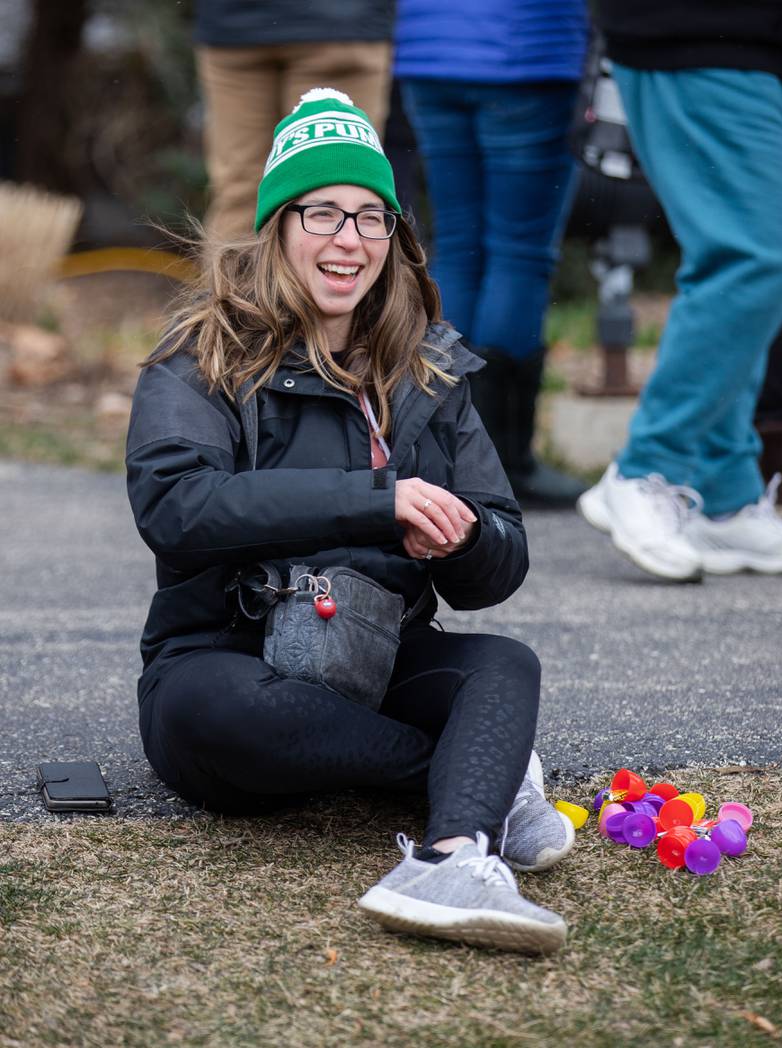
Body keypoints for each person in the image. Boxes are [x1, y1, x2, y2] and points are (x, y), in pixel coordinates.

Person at [126, 89, 574, 955]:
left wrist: (464, 537)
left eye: (372, 218)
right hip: (226, 659)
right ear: (279, 228)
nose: (349, 240)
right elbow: (174, 508)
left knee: (502, 666)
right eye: (324, 212)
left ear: (394, 239)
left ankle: (451, 859)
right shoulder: (199, 354)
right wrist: (377, 498)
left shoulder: (430, 370)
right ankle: (465, 772)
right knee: (214, 710)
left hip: (380, 658)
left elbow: (501, 555)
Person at [579, 1, 782, 580]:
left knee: (746, 260)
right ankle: (646, 467)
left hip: (761, 44)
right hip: (703, 29)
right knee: (753, 258)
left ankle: (724, 494)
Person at [394, 0, 589, 507]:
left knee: (458, 245)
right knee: (520, 254)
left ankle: (442, 453)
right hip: (525, 53)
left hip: (429, 49)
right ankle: (505, 462)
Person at [194, 0, 394, 239]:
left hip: (234, 26)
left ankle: (231, 276)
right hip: (339, 23)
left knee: (239, 192)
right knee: (336, 190)